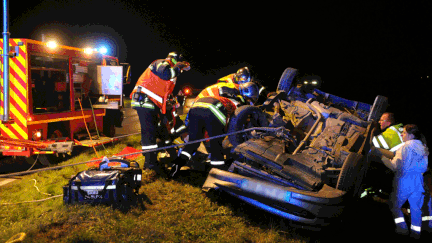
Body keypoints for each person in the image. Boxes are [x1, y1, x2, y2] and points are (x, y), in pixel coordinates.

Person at [167, 82, 260, 179]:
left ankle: (175, 167)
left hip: (196, 107)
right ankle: (217, 178)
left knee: (192, 144)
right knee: (216, 145)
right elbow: (235, 125)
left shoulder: (229, 94)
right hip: (214, 109)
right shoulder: (241, 104)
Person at [130, 52, 190, 174]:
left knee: (156, 130)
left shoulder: (170, 72)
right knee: (149, 131)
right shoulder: (161, 63)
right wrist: (177, 67)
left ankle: (154, 160)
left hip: (151, 103)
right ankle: (149, 164)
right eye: (181, 67)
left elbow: (165, 92)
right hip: (144, 100)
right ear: (174, 60)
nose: (181, 71)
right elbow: (166, 73)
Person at [380, 124, 429, 239]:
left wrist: (382, 157)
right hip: (418, 181)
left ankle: (402, 230)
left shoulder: (404, 147)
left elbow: (394, 166)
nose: (401, 134)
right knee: (416, 209)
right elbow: (424, 167)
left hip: (405, 181)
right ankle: (416, 235)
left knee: (394, 206)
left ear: (411, 135)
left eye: (404, 133)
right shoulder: (423, 147)